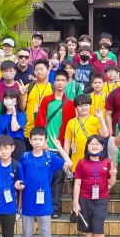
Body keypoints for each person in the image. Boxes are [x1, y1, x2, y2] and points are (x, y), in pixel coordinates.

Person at [18, 126, 72, 237]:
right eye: (34, 139)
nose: (37, 142)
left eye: (40, 139)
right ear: (30, 140)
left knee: (45, 230)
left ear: (45, 141)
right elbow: (20, 177)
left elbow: (69, 163)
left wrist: (59, 147)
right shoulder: (25, 157)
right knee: (27, 231)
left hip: (45, 201)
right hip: (28, 200)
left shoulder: (50, 157)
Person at [35, 69, 77, 219]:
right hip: (46, 146)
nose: (60, 83)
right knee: (43, 177)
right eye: (57, 80)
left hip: (61, 148)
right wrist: (43, 141)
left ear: (67, 83)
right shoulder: (46, 100)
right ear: (54, 82)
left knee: (58, 179)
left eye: (62, 80)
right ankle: (42, 206)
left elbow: (71, 127)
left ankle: (56, 208)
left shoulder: (71, 103)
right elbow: (39, 121)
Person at [72, 135, 117, 237]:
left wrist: (113, 175)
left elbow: (111, 183)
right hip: (84, 199)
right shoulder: (81, 163)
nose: (94, 146)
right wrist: (75, 202)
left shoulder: (107, 162)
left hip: (101, 200)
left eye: (97, 144)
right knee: (88, 228)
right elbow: (77, 183)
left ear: (102, 147)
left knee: (98, 227)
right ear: (87, 147)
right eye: (91, 144)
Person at [64, 94, 110, 170]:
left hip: (94, 159)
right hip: (76, 161)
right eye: (80, 105)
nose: (83, 108)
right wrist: (66, 159)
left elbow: (105, 134)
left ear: (90, 106)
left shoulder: (96, 120)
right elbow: (67, 142)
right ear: (75, 108)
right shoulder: (71, 122)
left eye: (86, 105)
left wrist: (101, 118)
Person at [24, 59, 53, 139]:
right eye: (36, 70)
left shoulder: (53, 89)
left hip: (47, 132)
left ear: (48, 70)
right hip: (28, 131)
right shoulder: (28, 87)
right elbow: (22, 107)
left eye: (41, 69)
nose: (39, 72)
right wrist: (21, 94)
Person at [0, 90, 27, 161]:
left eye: (11, 98)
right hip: (4, 145)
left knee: (18, 168)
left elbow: (14, 128)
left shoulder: (21, 114)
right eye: (6, 98)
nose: (8, 100)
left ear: (16, 100)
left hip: (18, 144)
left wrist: (14, 114)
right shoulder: (1, 117)